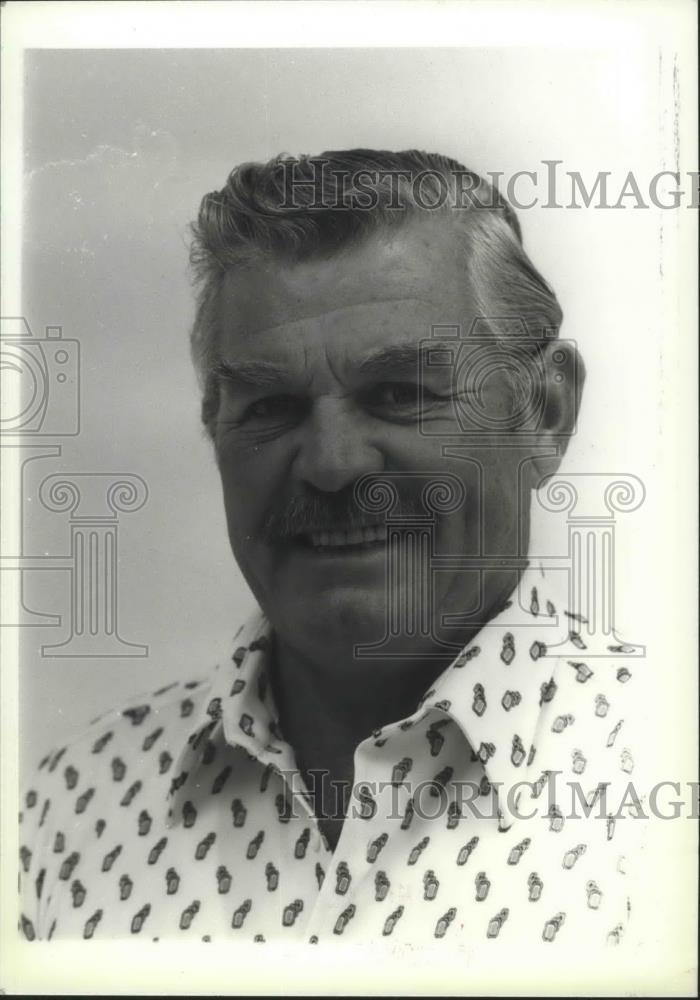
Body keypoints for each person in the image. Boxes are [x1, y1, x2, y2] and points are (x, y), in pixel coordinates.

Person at [19, 150, 639, 946]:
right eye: (270, 407)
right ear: (215, 432)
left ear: (545, 414)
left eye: (400, 394)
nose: (332, 463)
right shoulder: (67, 811)